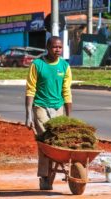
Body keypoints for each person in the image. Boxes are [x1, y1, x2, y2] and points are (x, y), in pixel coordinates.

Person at [25, 36, 72, 190]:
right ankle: (44, 176)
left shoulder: (65, 66)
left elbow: (67, 91)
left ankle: (55, 172)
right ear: (47, 47)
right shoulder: (37, 64)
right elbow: (30, 89)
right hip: (40, 106)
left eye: (60, 47)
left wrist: (68, 117)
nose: (57, 50)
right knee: (45, 141)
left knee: (57, 142)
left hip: (58, 107)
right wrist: (28, 115)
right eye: (54, 47)